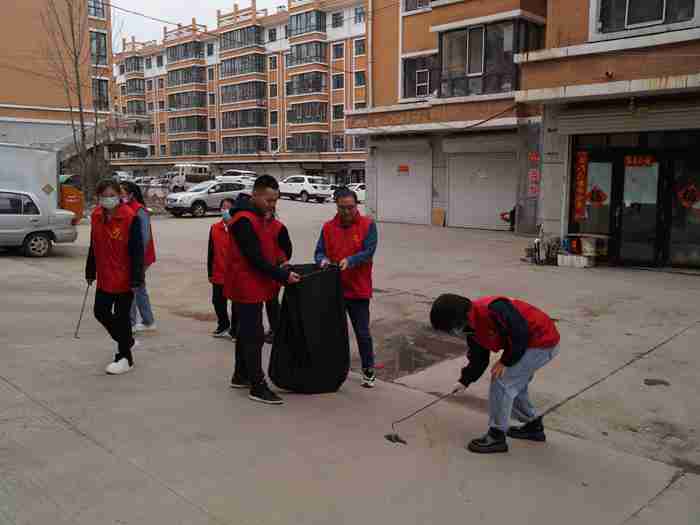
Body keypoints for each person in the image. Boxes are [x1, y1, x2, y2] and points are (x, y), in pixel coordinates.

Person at [430, 294, 560, 454]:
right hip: (529, 343)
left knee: (502, 381)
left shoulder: (495, 309)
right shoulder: (471, 327)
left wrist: (506, 361)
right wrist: (464, 381)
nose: (453, 333)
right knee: (515, 385)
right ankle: (533, 426)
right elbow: (479, 358)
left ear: (458, 319)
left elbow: (520, 334)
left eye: (450, 329)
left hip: (542, 341)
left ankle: (496, 436)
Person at [225, 175, 300, 405]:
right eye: (269, 200)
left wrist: (281, 264)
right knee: (254, 335)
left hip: (256, 282)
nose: (272, 205)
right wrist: (283, 275)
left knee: (246, 333)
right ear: (255, 195)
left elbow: (269, 250)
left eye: (275, 200)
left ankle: (240, 375)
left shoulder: (260, 218)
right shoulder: (244, 221)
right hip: (246, 285)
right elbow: (255, 258)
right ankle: (257, 385)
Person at [314, 188, 378, 388]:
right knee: (333, 332)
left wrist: (350, 261)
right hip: (334, 290)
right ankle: (333, 367)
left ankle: (368, 368)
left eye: (350, 207)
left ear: (356, 205)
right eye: (342, 208)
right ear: (336, 206)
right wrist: (322, 261)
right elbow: (319, 252)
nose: (347, 212)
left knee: (362, 333)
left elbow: (369, 251)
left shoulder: (368, 225)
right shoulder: (328, 227)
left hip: (358, 290)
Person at [85, 179, 144, 375]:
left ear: (119, 196)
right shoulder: (96, 216)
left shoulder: (130, 217)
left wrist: (136, 278)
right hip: (105, 275)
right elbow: (93, 244)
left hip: (124, 277)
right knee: (100, 312)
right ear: (98, 197)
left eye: (112, 195)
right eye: (104, 196)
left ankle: (125, 357)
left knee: (121, 317)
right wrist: (90, 270)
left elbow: (137, 250)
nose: (108, 199)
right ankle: (127, 341)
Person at [120, 181, 157, 332]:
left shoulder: (139, 210)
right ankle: (148, 321)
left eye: (122, 193)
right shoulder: (124, 208)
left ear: (131, 194)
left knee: (132, 287)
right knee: (139, 287)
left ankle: (131, 322)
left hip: (140, 257)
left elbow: (144, 237)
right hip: (131, 256)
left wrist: (137, 259)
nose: (119, 196)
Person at [208, 198, 238, 338]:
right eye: (223, 207)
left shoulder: (239, 228)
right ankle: (223, 325)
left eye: (228, 208)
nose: (225, 210)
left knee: (236, 303)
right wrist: (210, 272)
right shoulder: (215, 228)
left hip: (234, 273)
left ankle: (235, 330)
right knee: (218, 301)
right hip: (218, 272)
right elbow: (211, 251)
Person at [264, 206, 292, 344]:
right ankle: (275, 328)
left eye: (269, 211)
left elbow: (288, 250)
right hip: (262, 268)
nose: (266, 214)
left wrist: (281, 264)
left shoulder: (279, 227)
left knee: (272, 301)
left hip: (275, 270)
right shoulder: (258, 225)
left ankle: (277, 330)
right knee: (267, 301)